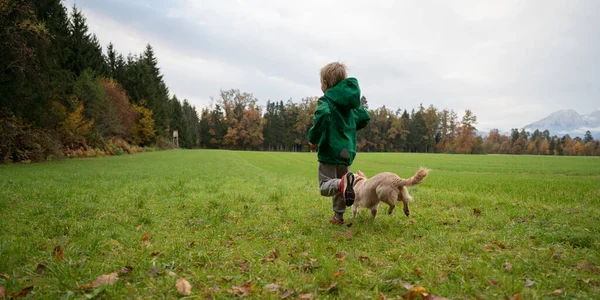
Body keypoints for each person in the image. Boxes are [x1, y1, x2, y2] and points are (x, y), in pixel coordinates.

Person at [308, 62, 371, 224]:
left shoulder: (326, 101)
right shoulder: (349, 105)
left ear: (326, 84)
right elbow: (364, 117)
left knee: (326, 185)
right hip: (347, 150)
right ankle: (338, 216)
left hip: (330, 149)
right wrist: (349, 129)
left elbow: (322, 116)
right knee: (342, 187)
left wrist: (313, 139)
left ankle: (343, 183)